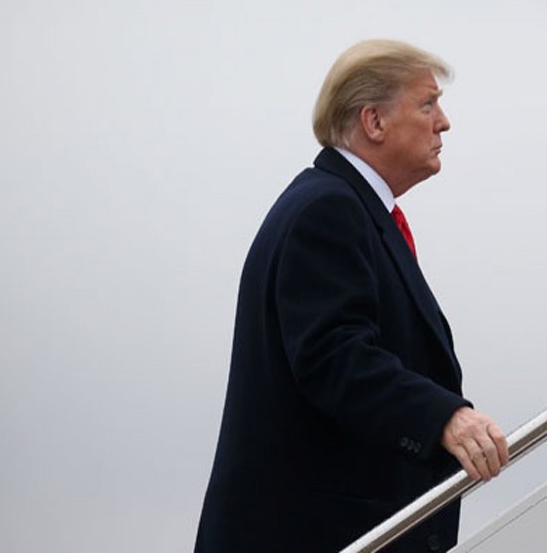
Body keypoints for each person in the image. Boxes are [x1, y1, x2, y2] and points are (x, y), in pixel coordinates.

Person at [195, 39, 509, 552]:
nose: (444, 122)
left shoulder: (344, 206)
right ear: (374, 122)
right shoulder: (328, 210)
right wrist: (443, 416)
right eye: (427, 104)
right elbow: (332, 355)